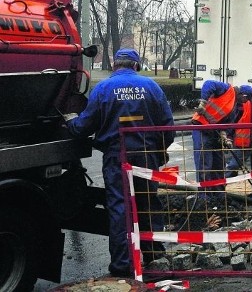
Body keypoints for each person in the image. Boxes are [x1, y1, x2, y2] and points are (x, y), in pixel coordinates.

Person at [66, 48, 174, 278]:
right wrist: (160, 151)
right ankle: (154, 255)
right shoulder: (151, 87)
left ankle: (123, 265)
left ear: (115, 65)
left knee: (120, 208)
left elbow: (84, 126)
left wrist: (71, 122)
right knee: (147, 203)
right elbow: (167, 125)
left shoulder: (103, 88)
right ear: (136, 65)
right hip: (147, 154)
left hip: (118, 157)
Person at [191, 80, 252, 201]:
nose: (246, 102)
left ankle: (219, 194)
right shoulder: (226, 89)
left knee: (219, 164)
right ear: (243, 95)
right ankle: (205, 196)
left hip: (216, 134)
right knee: (205, 164)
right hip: (202, 128)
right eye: (246, 100)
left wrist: (226, 136)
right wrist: (203, 102)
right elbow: (208, 84)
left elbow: (230, 125)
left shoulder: (238, 108)